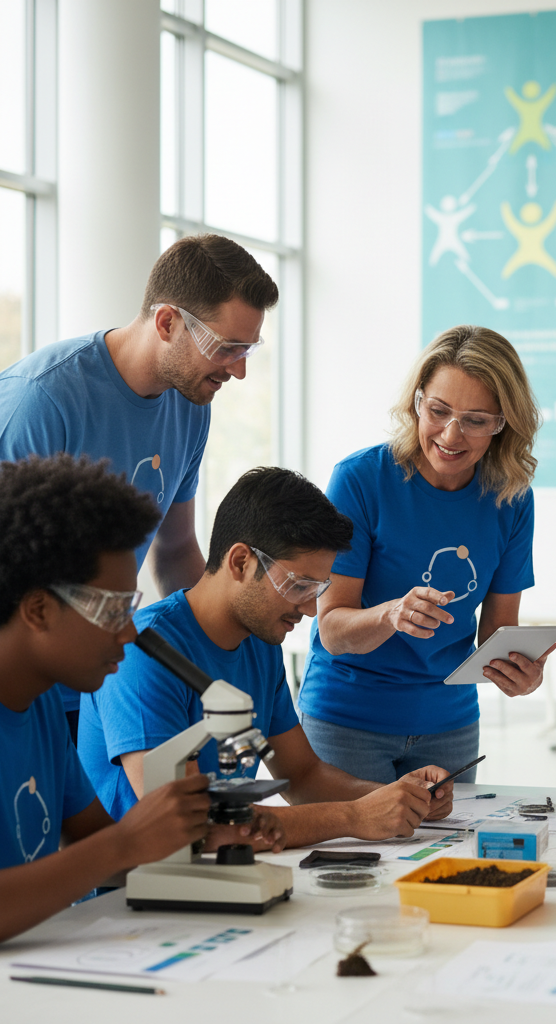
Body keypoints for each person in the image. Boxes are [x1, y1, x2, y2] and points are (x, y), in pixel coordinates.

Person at [78, 467, 454, 847]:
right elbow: (189, 824)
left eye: (319, 588)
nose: (310, 609)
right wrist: (354, 816)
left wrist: (398, 798)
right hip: (130, 889)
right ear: (240, 562)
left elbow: (302, 775)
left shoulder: (260, 642)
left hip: (215, 872)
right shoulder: (143, 654)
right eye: (299, 585)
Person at [0, 234, 279, 738]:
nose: (237, 370)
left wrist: (216, 659)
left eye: (248, 350)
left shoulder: (191, 407)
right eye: (226, 347)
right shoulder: (42, 400)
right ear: (168, 322)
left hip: (97, 680)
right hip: (24, 687)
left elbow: (173, 553)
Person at [301, 325, 549, 784]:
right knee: (352, 856)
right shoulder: (360, 481)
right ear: (417, 400)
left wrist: (519, 673)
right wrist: (391, 614)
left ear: (502, 425)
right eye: (438, 411)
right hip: (347, 723)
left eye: (475, 420)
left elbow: (496, 635)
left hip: (448, 728)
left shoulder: (510, 498)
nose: (451, 435)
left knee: (445, 856)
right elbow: (332, 629)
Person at [0, 454, 214, 943]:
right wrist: (125, 843)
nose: (129, 634)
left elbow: (99, 842)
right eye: (113, 610)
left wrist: (199, 834)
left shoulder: (41, 705)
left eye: (131, 607)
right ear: (38, 609)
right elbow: (111, 848)